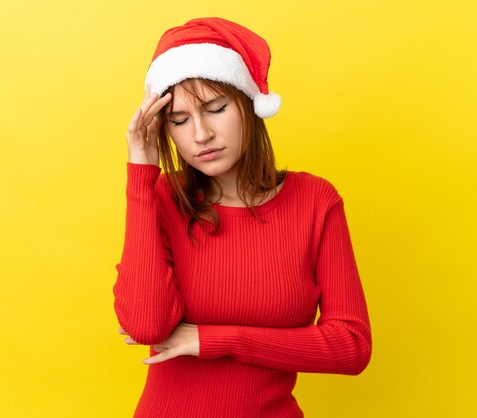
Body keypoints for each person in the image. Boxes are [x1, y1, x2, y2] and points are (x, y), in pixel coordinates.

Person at [113, 17, 372, 418]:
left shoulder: (316, 201)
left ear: (249, 105)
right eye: (179, 120)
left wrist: (213, 339)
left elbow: (351, 345)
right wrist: (141, 175)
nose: (200, 134)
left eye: (215, 109)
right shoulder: (163, 197)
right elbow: (147, 325)